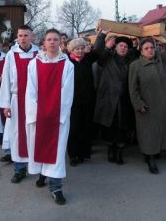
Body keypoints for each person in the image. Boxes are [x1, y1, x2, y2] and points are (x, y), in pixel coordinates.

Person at [25, 28, 74, 205]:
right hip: (38, 114)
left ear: (60, 43)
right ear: (44, 43)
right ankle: (42, 173)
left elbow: (67, 93)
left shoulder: (67, 65)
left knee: (57, 152)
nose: (52, 42)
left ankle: (56, 187)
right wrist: (36, 112)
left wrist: (56, 113)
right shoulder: (34, 64)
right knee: (39, 145)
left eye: (55, 39)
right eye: (49, 39)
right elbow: (30, 91)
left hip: (57, 116)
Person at [128, 37, 166, 174]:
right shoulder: (135, 65)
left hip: (164, 105)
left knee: (162, 130)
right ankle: (150, 159)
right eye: (146, 48)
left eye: (152, 47)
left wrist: (163, 40)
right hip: (147, 107)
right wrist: (139, 104)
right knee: (148, 134)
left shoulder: (161, 61)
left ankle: (155, 152)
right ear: (141, 51)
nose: (150, 50)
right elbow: (132, 88)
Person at [0, 25, 40, 183]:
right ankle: (19, 169)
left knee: (35, 133)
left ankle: (38, 168)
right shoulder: (11, 55)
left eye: (26, 35)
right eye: (20, 35)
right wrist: (5, 104)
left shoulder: (39, 54)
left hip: (35, 101)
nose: (23, 38)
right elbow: (6, 79)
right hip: (17, 100)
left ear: (32, 37)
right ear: (17, 37)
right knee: (17, 134)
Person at [93, 28, 136, 165]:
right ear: (115, 47)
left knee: (123, 126)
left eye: (125, 46)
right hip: (109, 98)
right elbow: (96, 53)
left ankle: (119, 152)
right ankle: (111, 149)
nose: (123, 48)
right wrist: (102, 37)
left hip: (125, 99)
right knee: (110, 126)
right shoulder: (107, 58)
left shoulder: (132, 61)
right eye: (120, 46)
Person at [66, 37, 99, 166]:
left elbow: (97, 52)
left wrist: (100, 37)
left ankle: (84, 153)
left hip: (87, 100)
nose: (79, 51)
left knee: (86, 127)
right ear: (71, 50)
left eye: (81, 48)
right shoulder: (67, 61)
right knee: (74, 129)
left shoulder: (88, 59)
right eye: (77, 49)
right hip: (72, 102)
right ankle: (73, 155)